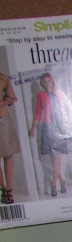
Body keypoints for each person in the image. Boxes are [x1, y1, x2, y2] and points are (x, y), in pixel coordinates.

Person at [28, 72, 72, 197]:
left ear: (52, 81)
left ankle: (53, 183)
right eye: (44, 82)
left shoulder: (60, 93)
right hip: (48, 126)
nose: (47, 83)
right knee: (54, 156)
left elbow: (67, 109)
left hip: (60, 126)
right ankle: (61, 181)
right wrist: (33, 127)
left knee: (57, 156)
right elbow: (38, 112)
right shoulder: (40, 95)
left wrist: (68, 124)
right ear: (42, 84)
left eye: (49, 81)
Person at [0, 69, 19, 204]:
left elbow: (12, 97)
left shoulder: (3, 78)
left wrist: (3, 103)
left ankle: (9, 188)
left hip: (2, 118)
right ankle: (3, 189)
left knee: (8, 154)